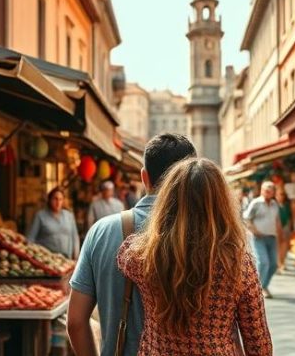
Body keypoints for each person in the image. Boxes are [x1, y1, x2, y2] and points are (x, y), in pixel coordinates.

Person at [117, 158, 273, 355]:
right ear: (222, 204)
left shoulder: (141, 255)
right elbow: (259, 345)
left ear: (167, 202)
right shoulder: (238, 264)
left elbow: (124, 257)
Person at [67, 134, 197, 356]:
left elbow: (76, 322)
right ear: (194, 179)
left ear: (144, 177)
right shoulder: (212, 235)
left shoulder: (101, 231)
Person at [243, 181, 282, 299]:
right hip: (259, 237)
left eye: (270, 190)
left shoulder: (275, 204)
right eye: (266, 190)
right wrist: (254, 231)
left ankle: (263, 285)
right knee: (264, 262)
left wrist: (279, 233)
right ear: (261, 191)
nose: (268, 193)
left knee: (274, 264)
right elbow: (246, 218)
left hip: (272, 237)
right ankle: (259, 288)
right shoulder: (256, 203)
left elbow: (276, 220)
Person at [26, 188, 80, 259]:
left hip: (66, 259)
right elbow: (31, 238)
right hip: (47, 259)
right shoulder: (40, 216)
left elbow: (75, 237)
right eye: (55, 199)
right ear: (49, 200)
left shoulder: (69, 216)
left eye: (60, 199)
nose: (58, 202)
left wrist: (76, 256)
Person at [276, 190, 292, 272]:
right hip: (277, 228)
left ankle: (283, 262)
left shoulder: (285, 205)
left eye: (282, 195)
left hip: (285, 227)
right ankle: (279, 264)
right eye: (279, 195)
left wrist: (289, 228)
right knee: (279, 246)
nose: (281, 197)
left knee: (285, 246)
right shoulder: (275, 206)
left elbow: (288, 217)